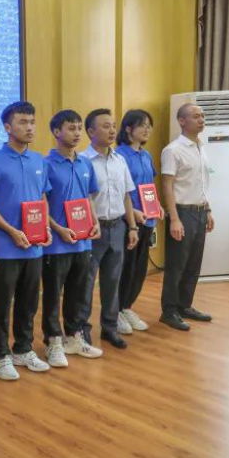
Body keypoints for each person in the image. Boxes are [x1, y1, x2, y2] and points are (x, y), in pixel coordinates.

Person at [0, 100, 53, 381]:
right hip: (4, 249)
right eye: (23, 122)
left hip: (34, 248)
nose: (29, 127)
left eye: (32, 122)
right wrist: (11, 231)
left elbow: (42, 197)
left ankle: (23, 349)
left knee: (29, 302)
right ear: (8, 127)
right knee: (2, 304)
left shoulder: (38, 161)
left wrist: (45, 227)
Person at [41, 110, 103, 368]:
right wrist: (58, 229)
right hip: (56, 244)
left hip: (83, 241)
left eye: (79, 128)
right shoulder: (45, 164)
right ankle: (53, 341)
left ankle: (74, 338)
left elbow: (88, 197)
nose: (77, 133)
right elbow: (41, 203)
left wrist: (95, 222)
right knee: (53, 295)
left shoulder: (85, 163)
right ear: (56, 132)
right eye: (71, 128)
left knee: (78, 293)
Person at [82, 109, 140, 350]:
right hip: (91, 231)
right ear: (90, 131)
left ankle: (109, 328)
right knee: (85, 283)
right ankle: (82, 331)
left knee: (112, 282)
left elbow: (127, 196)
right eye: (105, 126)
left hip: (117, 227)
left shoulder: (120, 160)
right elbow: (82, 199)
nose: (112, 130)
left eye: (113, 125)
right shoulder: (82, 161)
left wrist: (133, 226)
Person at [160, 103, 214, 331]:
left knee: (193, 264)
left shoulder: (200, 147)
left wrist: (208, 210)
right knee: (177, 265)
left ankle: (184, 305)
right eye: (195, 116)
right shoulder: (173, 150)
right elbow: (167, 185)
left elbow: (201, 183)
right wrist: (174, 219)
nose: (201, 119)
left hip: (200, 211)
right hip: (182, 212)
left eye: (202, 115)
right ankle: (169, 311)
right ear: (181, 121)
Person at [115, 109, 157, 335]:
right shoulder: (119, 155)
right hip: (128, 221)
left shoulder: (146, 155)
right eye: (142, 125)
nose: (147, 129)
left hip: (147, 220)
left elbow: (149, 185)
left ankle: (127, 307)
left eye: (149, 126)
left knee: (139, 269)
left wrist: (156, 205)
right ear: (129, 129)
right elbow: (119, 192)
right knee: (125, 268)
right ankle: (116, 311)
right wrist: (134, 212)